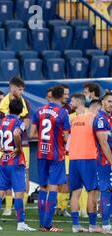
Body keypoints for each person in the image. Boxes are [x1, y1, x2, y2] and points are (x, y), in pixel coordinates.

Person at [0, 99, 36, 232]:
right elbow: (17, 133)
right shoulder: (20, 122)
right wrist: (18, 148)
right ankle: (21, 223)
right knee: (18, 193)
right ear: (21, 110)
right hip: (16, 161)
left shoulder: (1, 122)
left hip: (4, 160)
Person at [30, 86, 70, 232]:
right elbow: (65, 137)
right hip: (56, 154)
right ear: (61, 97)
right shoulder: (63, 112)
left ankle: (42, 224)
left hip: (42, 153)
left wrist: (44, 140)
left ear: (51, 95)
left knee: (43, 187)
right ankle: (48, 224)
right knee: (54, 186)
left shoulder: (39, 111)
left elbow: (32, 134)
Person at [0, 77, 32, 214]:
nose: (21, 92)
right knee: (5, 174)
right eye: (19, 89)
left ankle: (21, 206)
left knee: (25, 172)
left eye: (23, 89)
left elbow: (28, 120)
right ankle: (7, 206)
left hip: (22, 143)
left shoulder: (26, 103)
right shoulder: (3, 104)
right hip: (6, 146)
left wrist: (21, 127)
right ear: (12, 88)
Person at [68, 96, 101, 233]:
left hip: (73, 158)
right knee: (91, 192)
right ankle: (92, 226)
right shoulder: (93, 118)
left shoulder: (74, 119)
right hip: (88, 158)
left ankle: (75, 225)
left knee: (75, 192)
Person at [93, 92, 112, 234]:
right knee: (106, 190)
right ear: (103, 102)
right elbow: (103, 144)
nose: (111, 104)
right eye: (109, 101)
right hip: (105, 161)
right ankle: (105, 225)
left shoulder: (109, 118)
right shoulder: (100, 119)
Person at [57, 84, 72, 217]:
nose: (67, 96)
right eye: (65, 94)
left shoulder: (68, 109)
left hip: (65, 149)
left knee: (65, 179)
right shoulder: (57, 109)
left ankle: (62, 206)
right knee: (58, 180)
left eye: (68, 94)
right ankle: (58, 206)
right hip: (57, 149)